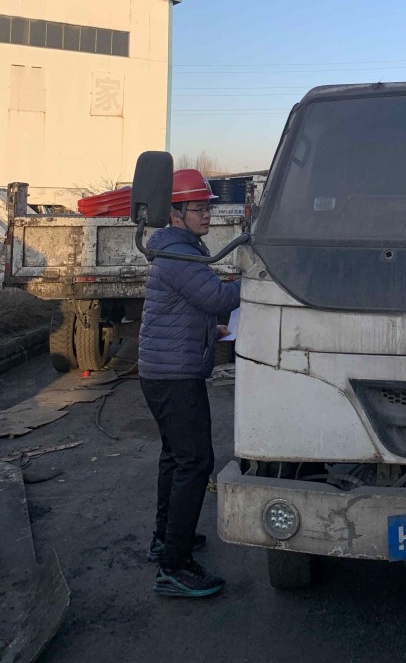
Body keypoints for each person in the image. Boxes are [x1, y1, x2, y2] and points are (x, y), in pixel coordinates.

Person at [138, 168, 241, 599]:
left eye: (208, 208)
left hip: (164, 373)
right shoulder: (179, 254)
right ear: (175, 214)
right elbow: (216, 298)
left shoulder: (178, 248)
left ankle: (165, 540)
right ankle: (174, 568)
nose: (207, 215)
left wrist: (208, 331)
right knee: (196, 462)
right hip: (174, 377)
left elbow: (184, 309)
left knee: (176, 458)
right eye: (199, 209)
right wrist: (257, 278)